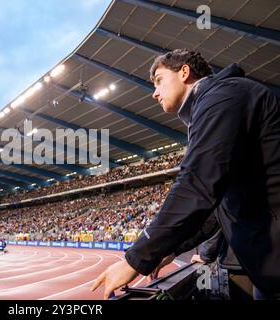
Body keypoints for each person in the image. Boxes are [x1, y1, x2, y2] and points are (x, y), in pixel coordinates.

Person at [91, 49, 280, 299]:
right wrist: (170, 248)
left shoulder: (223, 97)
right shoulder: (215, 103)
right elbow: (217, 208)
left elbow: (197, 185)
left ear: (184, 72)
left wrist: (135, 260)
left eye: (159, 80)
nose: (154, 92)